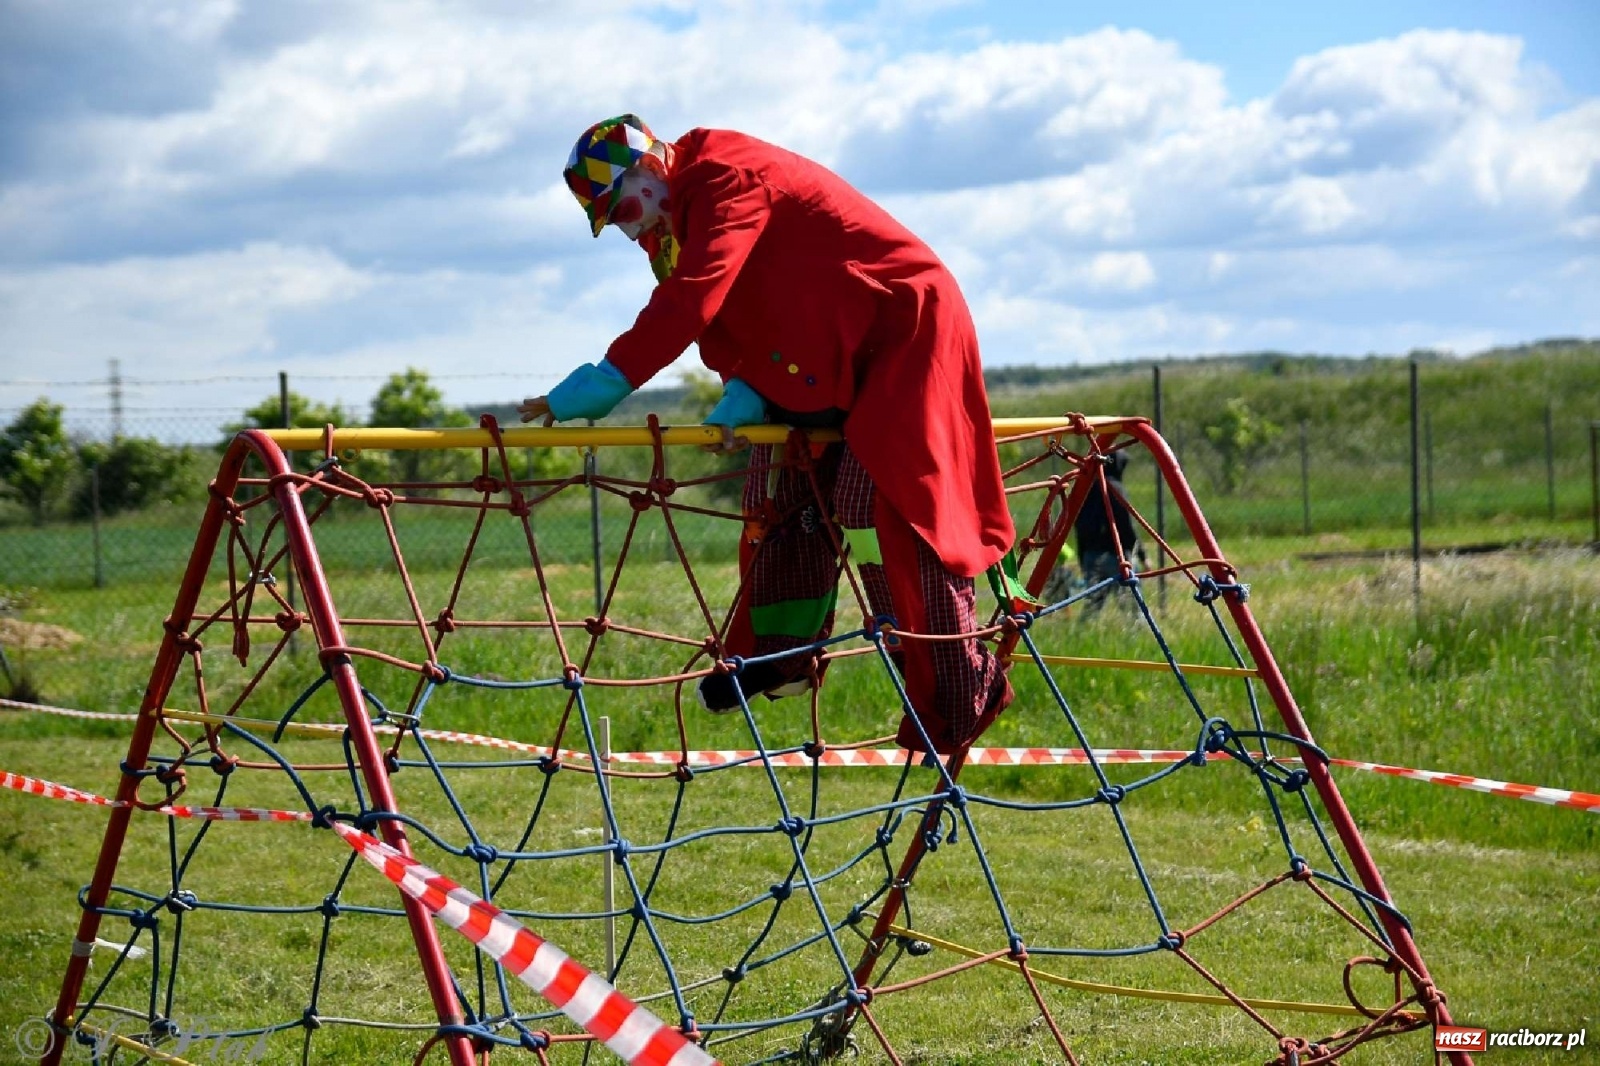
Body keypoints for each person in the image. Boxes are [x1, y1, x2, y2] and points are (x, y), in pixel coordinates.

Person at [519, 115, 1014, 754]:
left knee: (882, 503)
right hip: (828, 351)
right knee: (783, 478)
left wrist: (607, 379)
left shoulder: (726, 177)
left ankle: (960, 686)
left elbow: (696, 296)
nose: (625, 228)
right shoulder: (672, 223)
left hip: (903, 328)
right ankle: (780, 655)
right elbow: (739, 308)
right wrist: (742, 388)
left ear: (648, 169)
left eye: (620, 211)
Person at [1072, 449, 1139, 610]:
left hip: (1091, 556)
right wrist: (1136, 553)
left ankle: (1083, 633)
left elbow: (1079, 525)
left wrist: (1083, 556)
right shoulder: (1116, 488)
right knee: (1132, 608)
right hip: (1118, 557)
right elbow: (1126, 524)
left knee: (1092, 607)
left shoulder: (1085, 489)